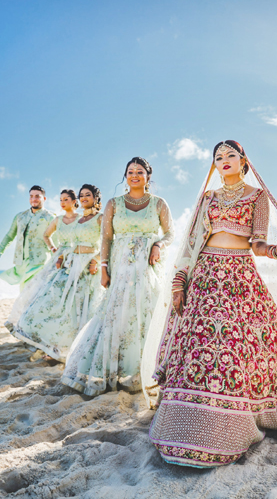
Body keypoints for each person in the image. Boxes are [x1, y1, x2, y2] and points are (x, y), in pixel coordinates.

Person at [150, 141, 277, 468]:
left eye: (230, 155)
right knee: (198, 350)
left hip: (240, 277)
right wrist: (180, 281)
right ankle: (183, 425)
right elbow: (191, 243)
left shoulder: (257, 197)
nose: (224, 160)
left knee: (237, 351)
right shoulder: (208, 198)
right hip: (204, 275)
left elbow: (259, 245)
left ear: (243, 160)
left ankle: (230, 424)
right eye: (218, 157)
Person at [62, 158, 174, 395]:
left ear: (148, 176)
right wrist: (103, 267)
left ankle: (146, 372)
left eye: (140, 172)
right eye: (130, 172)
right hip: (120, 268)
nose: (135, 175)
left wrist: (158, 246)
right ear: (125, 176)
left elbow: (170, 234)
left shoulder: (158, 204)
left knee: (144, 315)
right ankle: (112, 370)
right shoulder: (113, 204)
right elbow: (106, 239)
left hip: (147, 270)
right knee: (115, 316)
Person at [6, 185, 104, 361]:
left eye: (87, 195)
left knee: (83, 308)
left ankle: (78, 349)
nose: (83, 198)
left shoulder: (100, 218)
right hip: (71, 262)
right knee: (60, 304)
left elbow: (107, 242)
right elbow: (71, 243)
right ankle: (53, 346)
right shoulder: (78, 221)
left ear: (96, 198)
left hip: (89, 265)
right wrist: (60, 256)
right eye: (82, 195)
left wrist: (95, 260)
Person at [0, 185, 55, 290]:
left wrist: (59, 260)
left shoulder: (50, 217)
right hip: (22, 263)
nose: (33, 199)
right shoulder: (20, 216)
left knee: (34, 292)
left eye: (37, 196)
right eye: (31, 196)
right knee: (24, 293)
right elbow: (10, 235)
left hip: (41, 262)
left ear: (44, 199)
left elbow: (56, 240)